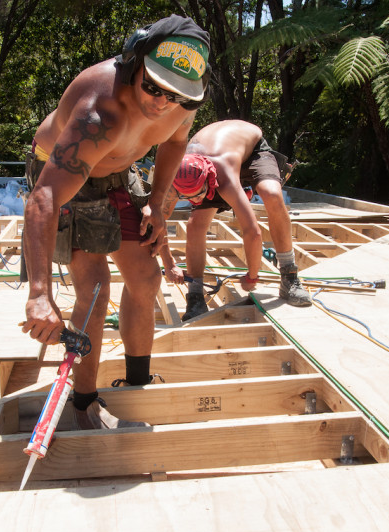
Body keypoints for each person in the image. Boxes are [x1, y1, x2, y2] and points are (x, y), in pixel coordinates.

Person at [20, 15, 211, 429]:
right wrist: (39, 292)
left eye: (175, 94)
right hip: (68, 175)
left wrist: (158, 204)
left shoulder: (182, 102)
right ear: (134, 59)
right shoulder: (98, 114)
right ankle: (84, 401)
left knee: (145, 278)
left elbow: (176, 142)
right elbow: (45, 197)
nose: (162, 102)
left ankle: (137, 384)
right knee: (96, 287)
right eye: (153, 86)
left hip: (120, 171)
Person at [161, 120, 313, 321]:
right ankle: (195, 295)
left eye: (199, 194)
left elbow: (252, 230)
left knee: (272, 194)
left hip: (252, 149)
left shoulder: (224, 176)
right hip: (216, 153)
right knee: (195, 224)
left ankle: (289, 277)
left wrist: (252, 275)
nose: (195, 201)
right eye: (188, 197)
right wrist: (169, 263)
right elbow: (157, 222)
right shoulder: (177, 175)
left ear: (209, 180)